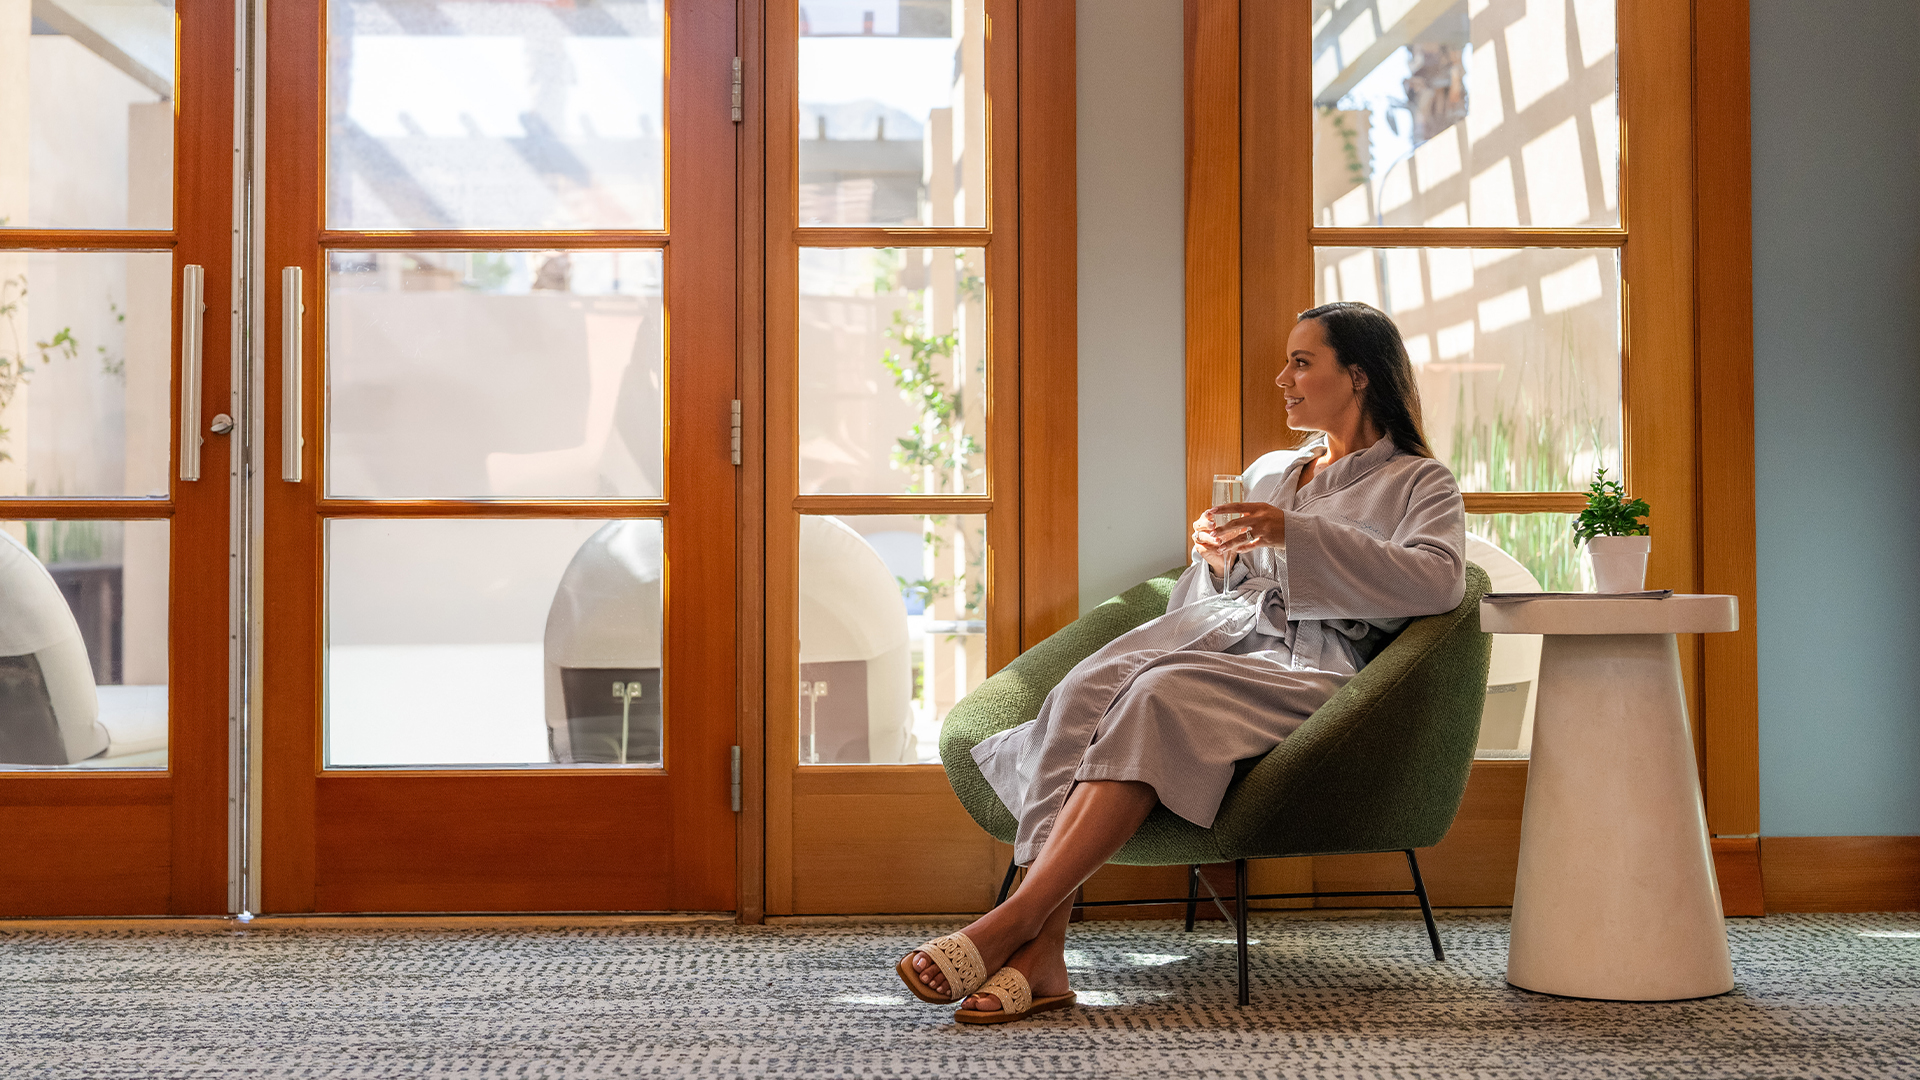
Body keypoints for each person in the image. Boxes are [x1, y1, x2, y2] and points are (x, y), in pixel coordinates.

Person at [894, 301, 1467, 1024]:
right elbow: (1219, 587)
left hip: (1313, 666)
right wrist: (1218, 559)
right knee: (1081, 692)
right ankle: (1043, 955)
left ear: (1357, 375)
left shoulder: (1420, 482)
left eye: (1301, 361)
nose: (1281, 377)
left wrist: (1293, 535)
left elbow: (1438, 581)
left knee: (1156, 698)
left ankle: (1011, 922)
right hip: (1225, 638)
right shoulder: (1271, 471)